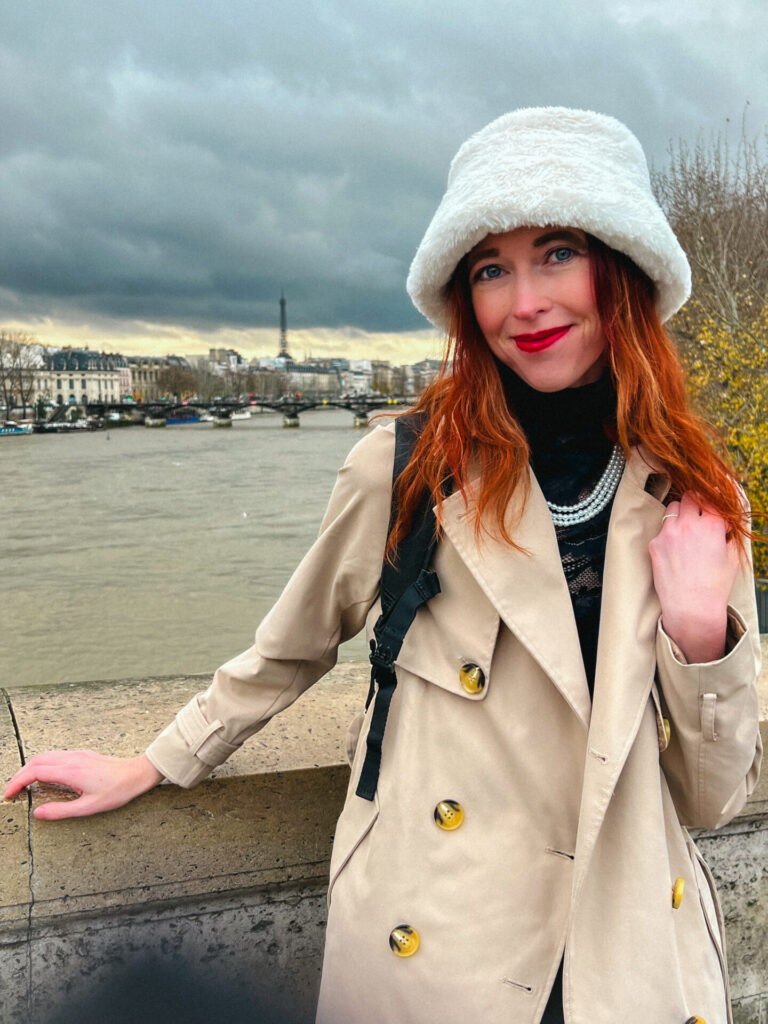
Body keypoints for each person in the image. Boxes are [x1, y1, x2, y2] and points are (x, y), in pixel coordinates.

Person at [6, 107, 762, 1024]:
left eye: (557, 253)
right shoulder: (406, 465)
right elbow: (291, 648)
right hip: (444, 939)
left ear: (627, 271)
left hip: (631, 949)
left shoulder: (699, 497)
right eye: (490, 269)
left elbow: (713, 800)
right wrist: (158, 762)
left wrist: (700, 634)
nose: (522, 302)